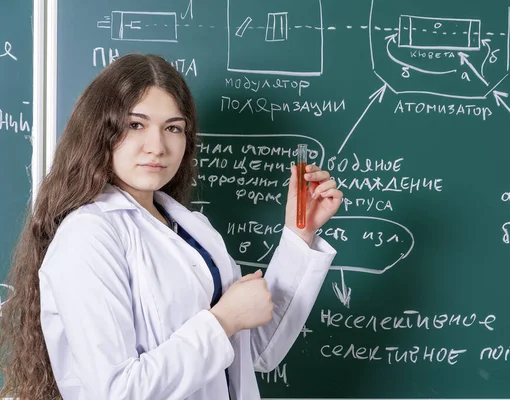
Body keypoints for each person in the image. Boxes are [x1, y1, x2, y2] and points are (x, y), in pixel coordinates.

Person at [0, 53, 342, 400]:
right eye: (136, 124)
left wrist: (300, 233)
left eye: (173, 128)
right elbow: (116, 391)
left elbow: (255, 351)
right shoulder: (88, 235)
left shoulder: (194, 230)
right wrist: (223, 320)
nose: (157, 146)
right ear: (101, 131)